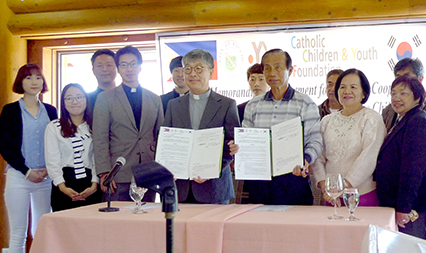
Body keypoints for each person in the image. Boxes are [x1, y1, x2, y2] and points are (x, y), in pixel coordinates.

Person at [238, 48, 323, 205]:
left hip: (293, 178)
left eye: (278, 67)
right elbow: (247, 138)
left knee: (294, 228)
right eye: (267, 68)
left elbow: (315, 140)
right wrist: (238, 146)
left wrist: (305, 159)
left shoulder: (305, 103)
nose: (272, 73)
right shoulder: (253, 105)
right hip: (259, 180)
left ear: (289, 70)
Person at [0, 64, 57, 253]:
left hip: (46, 177)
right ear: (20, 82)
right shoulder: (10, 110)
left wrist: (49, 170)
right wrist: (27, 170)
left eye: (39, 78)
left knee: (41, 230)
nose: (35, 82)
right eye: (29, 78)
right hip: (19, 177)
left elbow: (56, 142)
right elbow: (4, 146)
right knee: (18, 232)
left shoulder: (51, 110)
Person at [164, 49, 239, 204]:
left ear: (211, 72)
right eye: (188, 69)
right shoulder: (173, 105)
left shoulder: (227, 104)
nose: (192, 74)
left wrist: (210, 170)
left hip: (214, 187)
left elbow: (232, 144)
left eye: (199, 68)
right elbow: (167, 141)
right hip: (181, 186)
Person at [93, 45, 164, 202]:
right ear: (118, 68)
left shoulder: (154, 98)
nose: (129, 69)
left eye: (133, 64)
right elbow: (100, 138)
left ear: (140, 67)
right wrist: (105, 172)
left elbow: (160, 136)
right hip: (118, 172)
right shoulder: (105, 98)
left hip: (148, 170)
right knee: (118, 221)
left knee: (147, 217)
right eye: (123, 65)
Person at [375, 75, 426, 239]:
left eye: (403, 94)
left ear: (417, 97)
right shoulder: (405, 118)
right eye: (393, 93)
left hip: (412, 208)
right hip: (399, 204)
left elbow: (413, 170)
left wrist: (404, 208)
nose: (396, 98)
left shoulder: (418, 122)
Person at [311, 69, 386, 206]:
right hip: (331, 197)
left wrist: (343, 187)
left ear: (363, 92)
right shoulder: (327, 121)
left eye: (353, 87)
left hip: (360, 196)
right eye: (342, 87)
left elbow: (368, 157)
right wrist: (324, 188)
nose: (347, 91)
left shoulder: (371, 118)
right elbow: (318, 158)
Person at [45, 83, 101, 211]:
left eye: (79, 97)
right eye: (69, 98)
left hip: (91, 182)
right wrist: (63, 187)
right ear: (63, 102)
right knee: (64, 227)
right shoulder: (54, 127)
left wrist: (94, 185)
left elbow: (96, 157)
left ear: (86, 100)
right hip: (63, 182)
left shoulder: (94, 126)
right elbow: (52, 160)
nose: (74, 101)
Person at [382, 58, 426, 131]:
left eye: (407, 77)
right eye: (398, 77)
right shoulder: (388, 111)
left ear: (420, 79)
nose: (402, 81)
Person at [87, 49, 117, 113]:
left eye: (109, 65)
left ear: (117, 68)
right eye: (99, 66)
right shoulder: (87, 99)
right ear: (93, 71)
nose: (104, 69)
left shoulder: (126, 97)